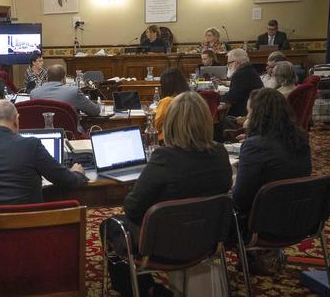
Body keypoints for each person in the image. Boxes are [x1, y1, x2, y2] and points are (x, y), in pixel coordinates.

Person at [103, 91, 232, 297]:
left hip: (163, 244)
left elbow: (132, 208)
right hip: (207, 238)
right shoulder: (220, 153)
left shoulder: (164, 158)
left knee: (110, 226)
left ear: (170, 123)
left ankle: (145, 289)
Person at [0, 100, 88, 205]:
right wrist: (77, 173)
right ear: (16, 120)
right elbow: (66, 180)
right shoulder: (31, 145)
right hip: (28, 228)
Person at [233, 88, 310, 225]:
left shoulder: (255, 146)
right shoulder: (301, 138)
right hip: (300, 217)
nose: (247, 116)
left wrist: (233, 181)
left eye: (249, 111)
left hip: (261, 223)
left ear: (258, 114)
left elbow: (240, 199)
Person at [30, 64, 100, 116]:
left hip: (44, 134)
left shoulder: (34, 93)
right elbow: (95, 111)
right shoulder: (73, 91)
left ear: (47, 78)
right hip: (69, 134)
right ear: (64, 79)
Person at [222, 49, 263, 117]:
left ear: (236, 63)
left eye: (229, 63)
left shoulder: (240, 74)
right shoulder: (249, 70)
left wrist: (218, 97)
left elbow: (232, 97)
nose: (228, 66)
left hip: (244, 114)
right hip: (255, 110)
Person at [155, 68, 189, 141]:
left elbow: (155, 126)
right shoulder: (190, 98)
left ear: (165, 85)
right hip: (186, 139)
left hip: (166, 140)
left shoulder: (166, 101)